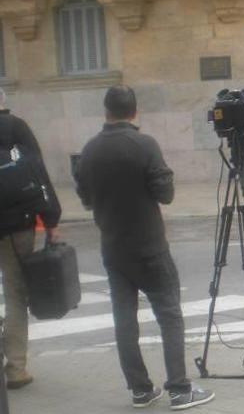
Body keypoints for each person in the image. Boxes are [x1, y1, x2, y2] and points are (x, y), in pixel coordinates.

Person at [74, 86, 214, 410]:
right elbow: (165, 193)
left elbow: (84, 197)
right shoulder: (144, 144)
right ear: (135, 112)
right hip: (149, 246)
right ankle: (179, 388)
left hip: (113, 247)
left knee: (124, 320)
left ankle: (140, 389)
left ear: (106, 111)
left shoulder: (90, 150)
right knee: (169, 316)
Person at [0, 87, 62, 389]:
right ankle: (15, 368)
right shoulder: (16, 127)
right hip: (17, 227)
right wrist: (51, 219)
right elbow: (39, 174)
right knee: (14, 295)